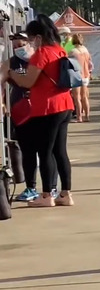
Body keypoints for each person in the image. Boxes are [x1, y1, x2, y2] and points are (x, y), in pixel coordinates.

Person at [7, 15, 74, 207]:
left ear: (37, 37)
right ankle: (65, 193)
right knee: (60, 151)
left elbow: (28, 82)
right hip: (64, 104)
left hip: (47, 107)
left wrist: (11, 74)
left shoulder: (41, 53)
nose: (28, 42)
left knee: (45, 152)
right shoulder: (59, 50)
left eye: (29, 38)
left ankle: (46, 196)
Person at [2, 33, 44, 202]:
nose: (17, 49)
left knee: (47, 151)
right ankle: (31, 187)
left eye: (20, 45)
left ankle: (52, 188)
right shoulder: (11, 62)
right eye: (14, 47)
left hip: (41, 109)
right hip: (20, 110)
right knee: (26, 150)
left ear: (29, 43)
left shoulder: (39, 59)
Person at [69, 34, 93, 122]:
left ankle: (79, 117)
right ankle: (87, 116)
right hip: (86, 75)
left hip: (77, 75)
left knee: (77, 97)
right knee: (85, 97)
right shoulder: (86, 50)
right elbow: (90, 63)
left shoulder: (72, 52)